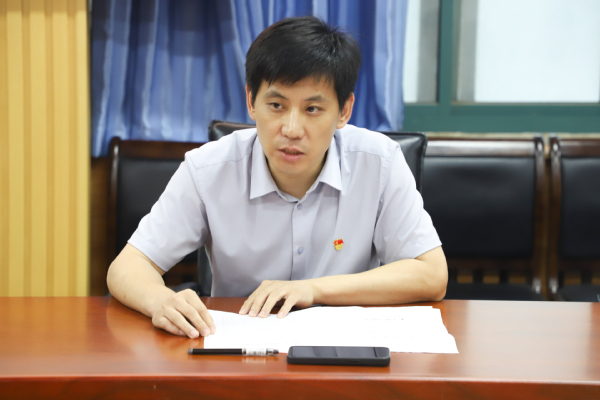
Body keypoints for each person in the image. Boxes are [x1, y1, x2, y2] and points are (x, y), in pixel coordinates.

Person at [107, 16, 447, 340]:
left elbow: (432, 274)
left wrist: (313, 290)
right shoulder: (208, 169)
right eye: (277, 106)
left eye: (312, 109)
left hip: (345, 353)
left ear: (344, 110)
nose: (292, 129)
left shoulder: (380, 163)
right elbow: (128, 266)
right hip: (240, 349)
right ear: (251, 102)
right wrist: (161, 301)